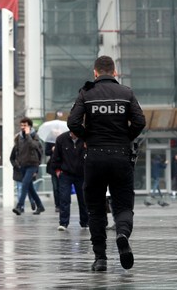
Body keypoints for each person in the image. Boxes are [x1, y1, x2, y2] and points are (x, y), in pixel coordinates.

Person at [68, 55, 146, 273]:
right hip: (121, 156)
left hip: (94, 157)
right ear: (115, 72)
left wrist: (88, 138)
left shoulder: (87, 93)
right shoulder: (126, 93)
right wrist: (125, 137)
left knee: (95, 210)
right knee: (123, 205)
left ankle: (100, 258)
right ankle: (122, 233)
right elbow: (140, 121)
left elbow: (72, 122)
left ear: (95, 73)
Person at [49, 129, 89, 231]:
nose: (74, 134)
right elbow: (56, 157)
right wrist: (57, 170)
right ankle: (63, 223)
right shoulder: (61, 139)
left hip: (81, 174)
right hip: (65, 174)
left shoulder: (85, 138)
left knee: (83, 198)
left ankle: (85, 222)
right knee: (64, 198)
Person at [10, 118, 46, 216]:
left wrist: (28, 135)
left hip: (32, 165)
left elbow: (34, 147)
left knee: (25, 184)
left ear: (29, 126)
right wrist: (17, 165)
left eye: (25, 125)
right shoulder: (19, 138)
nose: (22, 127)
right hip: (23, 166)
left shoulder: (35, 137)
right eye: (21, 125)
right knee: (30, 188)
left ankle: (19, 206)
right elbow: (13, 155)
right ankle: (40, 206)